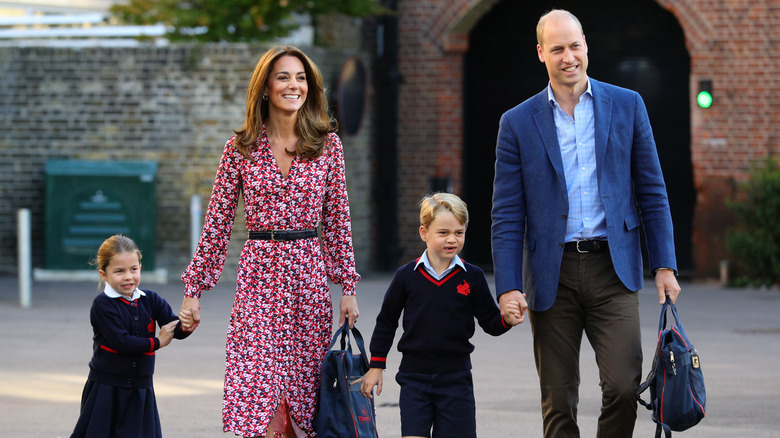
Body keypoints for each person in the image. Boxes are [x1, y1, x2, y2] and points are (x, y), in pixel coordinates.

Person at [491, 9, 682, 438]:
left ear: (586, 46)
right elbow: (506, 213)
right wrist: (507, 286)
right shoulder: (517, 122)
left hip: (612, 268)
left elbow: (652, 191)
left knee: (622, 385)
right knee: (558, 399)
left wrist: (665, 264)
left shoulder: (627, 105)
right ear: (541, 53)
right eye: (556, 48)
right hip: (550, 275)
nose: (568, 57)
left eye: (574, 45)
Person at [177, 46, 361, 438]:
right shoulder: (240, 147)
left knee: (305, 393)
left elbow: (337, 223)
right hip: (259, 276)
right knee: (255, 386)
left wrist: (347, 287)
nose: (293, 85)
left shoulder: (327, 147)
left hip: (306, 281)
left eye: (300, 78)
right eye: (283, 77)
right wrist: (194, 289)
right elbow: (218, 223)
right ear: (265, 87)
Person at [360, 193, 523, 438]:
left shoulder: (473, 276)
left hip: (456, 380)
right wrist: (376, 367)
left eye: (459, 232)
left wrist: (507, 320)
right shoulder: (406, 276)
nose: (452, 239)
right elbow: (386, 322)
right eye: (443, 232)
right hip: (414, 379)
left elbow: (490, 322)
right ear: (424, 233)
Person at [71, 234, 189, 438]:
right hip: (106, 388)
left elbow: (173, 327)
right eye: (119, 271)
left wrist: (186, 325)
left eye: (133, 269)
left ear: (140, 268)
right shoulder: (103, 305)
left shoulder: (151, 299)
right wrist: (157, 342)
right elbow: (122, 342)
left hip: (141, 387)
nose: (128, 276)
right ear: (104, 274)